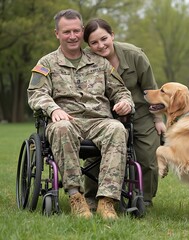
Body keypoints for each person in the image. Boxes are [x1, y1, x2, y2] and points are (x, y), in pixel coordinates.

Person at [27, 9, 134, 220]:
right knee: (61, 128)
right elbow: (35, 93)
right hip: (66, 119)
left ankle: (106, 202)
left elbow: (121, 91)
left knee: (117, 129)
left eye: (76, 30)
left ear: (82, 30)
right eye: (67, 32)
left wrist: (124, 102)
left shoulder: (100, 62)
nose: (73, 36)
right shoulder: (46, 63)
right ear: (57, 33)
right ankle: (76, 198)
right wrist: (54, 109)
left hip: (98, 120)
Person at [83, 18, 166, 208]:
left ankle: (144, 199)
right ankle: (93, 197)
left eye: (104, 38)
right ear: (88, 45)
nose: (101, 45)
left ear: (112, 35)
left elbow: (151, 90)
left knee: (147, 157)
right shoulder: (86, 58)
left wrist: (158, 119)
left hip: (140, 113)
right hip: (103, 114)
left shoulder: (134, 55)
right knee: (95, 152)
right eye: (94, 42)